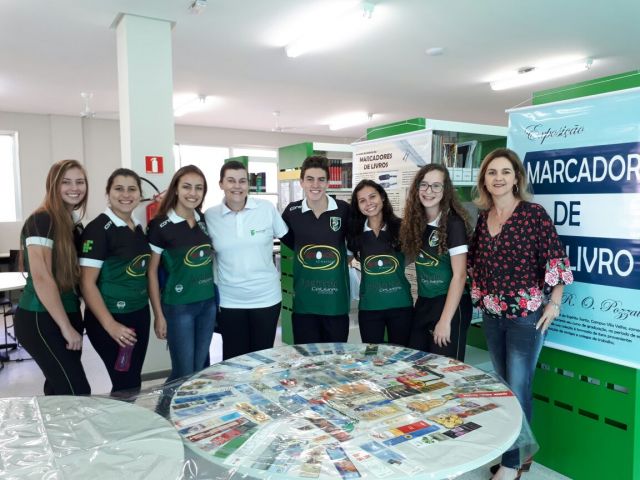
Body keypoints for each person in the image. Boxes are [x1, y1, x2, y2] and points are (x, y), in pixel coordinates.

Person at [468, 148, 573, 480]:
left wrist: (554, 303)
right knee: (503, 388)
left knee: (518, 387)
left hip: (526, 318)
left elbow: (556, 261)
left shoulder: (532, 215)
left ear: (516, 178)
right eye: (492, 172)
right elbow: (476, 266)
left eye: (505, 172)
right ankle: (517, 454)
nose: (498, 178)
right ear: (484, 179)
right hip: (492, 315)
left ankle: (512, 464)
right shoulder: (482, 219)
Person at [14, 159, 91, 395]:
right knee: (77, 391)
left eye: (80, 182)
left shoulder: (72, 223)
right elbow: (42, 278)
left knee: (58, 389)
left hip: (67, 312)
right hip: (40, 318)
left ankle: (54, 432)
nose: (74, 188)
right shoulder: (42, 220)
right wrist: (66, 327)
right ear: (53, 185)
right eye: (66, 182)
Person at [205, 161, 288, 360]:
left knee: (262, 359)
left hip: (266, 298)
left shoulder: (266, 209)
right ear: (221, 184)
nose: (237, 186)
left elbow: (289, 239)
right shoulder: (210, 216)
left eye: (242, 181)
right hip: (229, 300)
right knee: (234, 359)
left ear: (248, 184)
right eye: (231, 181)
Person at [79, 168, 151, 395]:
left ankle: (129, 427)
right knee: (126, 384)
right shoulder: (97, 230)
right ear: (108, 193)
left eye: (132, 189)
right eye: (118, 189)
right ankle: (121, 429)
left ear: (140, 194)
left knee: (132, 383)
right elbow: (86, 284)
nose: (126, 194)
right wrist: (111, 326)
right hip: (111, 320)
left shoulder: (138, 226)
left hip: (139, 315)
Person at [148, 165, 216, 378]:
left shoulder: (204, 219)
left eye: (199, 188)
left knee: (199, 369)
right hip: (179, 307)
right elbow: (151, 272)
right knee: (183, 372)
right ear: (175, 189)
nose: (193, 193)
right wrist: (158, 315)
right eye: (187, 187)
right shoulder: (160, 225)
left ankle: (193, 410)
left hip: (207, 304)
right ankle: (165, 410)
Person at [401, 164, 473, 360]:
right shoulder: (416, 222)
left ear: (445, 190)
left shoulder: (453, 224)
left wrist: (445, 321)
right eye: (424, 185)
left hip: (450, 305)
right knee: (415, 364)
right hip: (424, 302)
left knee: (446, 370)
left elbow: (459, 276)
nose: (428, 191)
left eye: (436, 186)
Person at [280, 155, 351, 344]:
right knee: (307, 362)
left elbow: (355, 243)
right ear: (301, 182)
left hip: (335, 303)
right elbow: (290, 243)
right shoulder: (292, 212)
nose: (315, 185)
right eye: (310, 179)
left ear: (328, 182)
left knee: (335, 360)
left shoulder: (343, 210)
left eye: (321, 179)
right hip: (304, 304)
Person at [346, 180, 413, 345]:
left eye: (372, 196)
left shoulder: (402, 228)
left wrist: (393, 268)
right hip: (370, 307)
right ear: (358, 206)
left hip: (400, 304)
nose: (368, 203)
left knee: (401, 356)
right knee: (371, 357)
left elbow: (412, 255)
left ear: (382, 197)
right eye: (362, 200)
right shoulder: (355, 233)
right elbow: (348, 259)